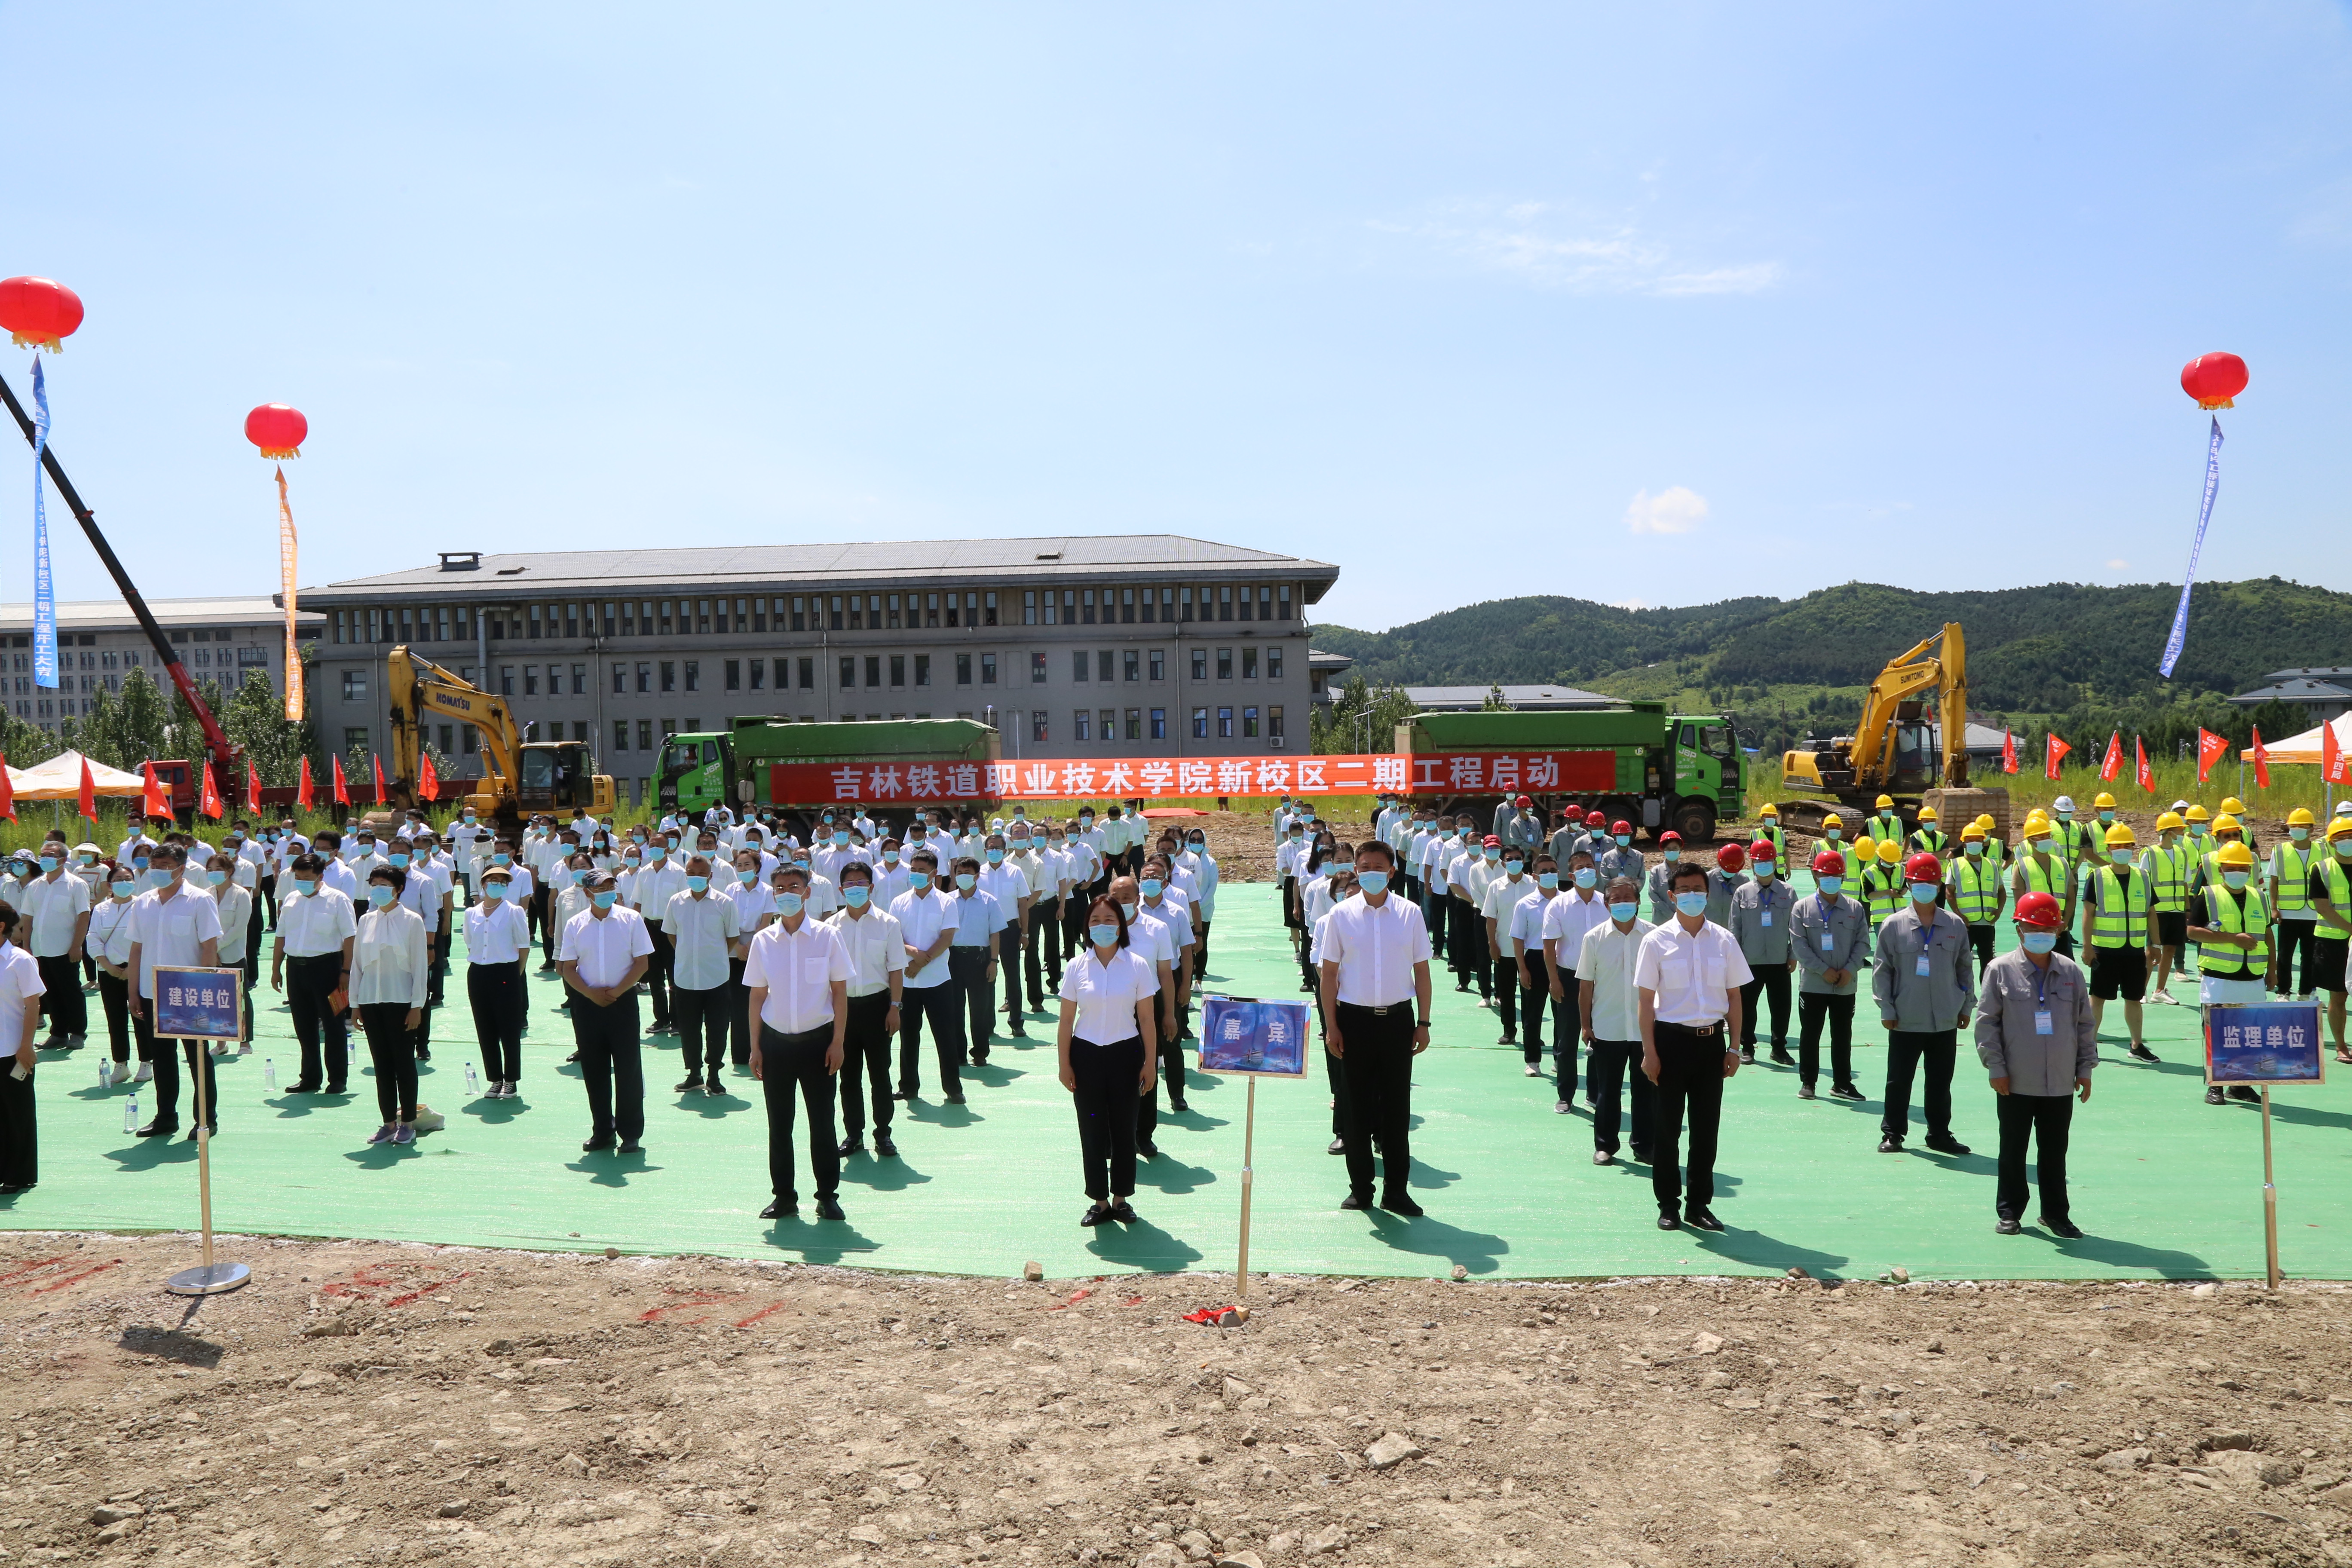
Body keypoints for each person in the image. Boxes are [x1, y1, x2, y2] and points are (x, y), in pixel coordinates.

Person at [1968, 889, 2094, 1238]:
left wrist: (2085, 1069)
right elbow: (1987, 1024)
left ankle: (2056, 1215)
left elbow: (2085, 1024)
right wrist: (1996, 1068)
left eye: (2048, 929)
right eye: (2034, 929)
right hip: (2015, 1079)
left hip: (2060, 1080)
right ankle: (2010, 1212)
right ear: (2019, 930)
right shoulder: (2000, 970)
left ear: (2059, 930)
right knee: (2013, 1149)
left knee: (2055, 1152)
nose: (2041, 935)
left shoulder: (2070, 972)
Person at [1317, 840, 1433, 1216]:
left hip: (1398, 1021)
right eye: (1364, 867)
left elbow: (1422, 971)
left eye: (1378, 867)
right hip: (1353, 1022)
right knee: (1355, 1109)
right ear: (1356, 869)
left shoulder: (1410, 913)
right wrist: (1332, 1026)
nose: (1371, 873)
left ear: (1392, 872)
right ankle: (1361, 1190)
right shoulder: (1340, 915)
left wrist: (1423, 1022)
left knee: (1397, 1110)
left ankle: (1396, 1192)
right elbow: (1329, 975)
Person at [1635, 862, 1750, 1231]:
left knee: (1706, 1130)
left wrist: (1735, 1047)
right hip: (1670, 1043)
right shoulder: (1656, 941)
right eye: (1684, 890)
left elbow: (1735, 997)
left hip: (1711, 1045)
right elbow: (1645, 1002)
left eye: (1698, 889)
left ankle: (1698, 1205)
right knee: (1667, 1130)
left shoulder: (1724, 940)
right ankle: (1668, 1205)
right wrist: (1650, 1053)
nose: (1692, 896)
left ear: (1708, 893)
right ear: (1672, 896)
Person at [744, 864, 854, 1221]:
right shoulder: (764, 941)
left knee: (822, 1124)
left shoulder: (828, 936)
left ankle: (827, 1196)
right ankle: (784, 1197)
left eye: (794, 887)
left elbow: (840, 993)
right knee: (780, 1125)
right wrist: (755, 1047)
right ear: (773, 894)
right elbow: (757, 996)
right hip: (776, 1045)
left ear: (807, 892)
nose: (786, 893)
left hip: (818, 1044)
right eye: (779, 888)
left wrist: (838, 1042)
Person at [1055, 894, 1161, 1226]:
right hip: (1086, 1055)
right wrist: (1064, 1064)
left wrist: (1150, 1063)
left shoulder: (1137, 965)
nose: (1102, 926)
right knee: (1092, 1129)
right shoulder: (1076, 966)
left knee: (1124, 1129)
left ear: (1121, 925)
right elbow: (1066, 1021)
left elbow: (1147, 1020)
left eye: (1110, 920)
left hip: (1125, 1055)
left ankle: (1121, 1199)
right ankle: (1099, 1201)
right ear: (1087, 927)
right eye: (1096, 921)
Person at [1869, 851, 1975, 1157]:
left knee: (1941, 1082)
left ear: (1939, 885)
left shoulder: (1954, 925)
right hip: (1905, 1017)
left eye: (1930, 883)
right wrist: (1887, 1008)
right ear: (1909, 885)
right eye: (1918, 883)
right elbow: (1882, 970)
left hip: (1945, 1017)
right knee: (1899, 1080)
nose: (1925, 888)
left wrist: (1966, 1006)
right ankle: (1893, 1134)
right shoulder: (1893, 925)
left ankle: (1939, 1134)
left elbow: (1965, 968)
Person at [124, 846, 226, 1140]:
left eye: (165, 865)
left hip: (190, 994)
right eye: (154, 864)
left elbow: (209, 948)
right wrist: (133, 991)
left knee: (197, 1057)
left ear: (181, 868)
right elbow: (137, 949)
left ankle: (206, 1119)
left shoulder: (200, 900)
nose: (158, 869)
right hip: (152, 992)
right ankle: (166, 1117)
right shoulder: (143, 902)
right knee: (162, 1058)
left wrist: (204, 989)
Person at [557, 871, 655, 1153]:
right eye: (600, 888)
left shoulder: (631, 919)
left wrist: (617, 992)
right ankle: (603, 1130)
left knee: (628, 1069)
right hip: (587, 1005)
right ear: (587, 893)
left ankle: (631, 1133)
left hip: (622, 1003)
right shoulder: (576, 924)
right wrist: (591, 994)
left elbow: (642, 963)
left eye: (611, 886)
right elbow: (568, 968)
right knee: (594, 1069)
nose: (608, 892)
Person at [1576, 877, 1655, 1167]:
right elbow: (1586, 985)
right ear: (1607, 904)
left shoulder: (1653, 936)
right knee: (1608, 1091)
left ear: (1638, 901)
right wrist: (1586, 1025)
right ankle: (1605, 1146)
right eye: (1616, 899)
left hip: (1646, 1029)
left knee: (1646, 1090)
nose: (1623, 903)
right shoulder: (1594, 938)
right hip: (1607, 1027)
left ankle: (1645, 1146)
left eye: (1628, 898)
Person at [829, 861, 904, 1158]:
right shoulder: (831, 927)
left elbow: (896, 969)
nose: (856, 888)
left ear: (872, 887)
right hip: (844, 1010)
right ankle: (854, 1134)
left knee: (880, 1075)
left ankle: (883, 1134)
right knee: (848, 1077)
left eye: (862, 883)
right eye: (850, 883)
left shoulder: (888, 923)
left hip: (878, 1008)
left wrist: (895, 1007)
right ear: (841, 889)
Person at [350, 866, 430, 1146]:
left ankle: (408, 1123)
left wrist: (417, 1006)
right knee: (381, 1066)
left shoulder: (412, 921)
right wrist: (355, 1004)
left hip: (402, 1001)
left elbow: (420, 966)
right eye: (374, 884)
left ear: (398, 889)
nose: (378, 890)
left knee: (404, 1064)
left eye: (384, 885)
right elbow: (357, 964)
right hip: (370, 1001)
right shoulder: (366, 920)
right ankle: (388, 1123)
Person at [2187, 840, 2269, 1107]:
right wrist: (2233, 938)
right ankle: (2216, 1085)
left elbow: (2268, 933)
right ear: (2221, 870)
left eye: (2242, 868)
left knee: (2250, 1032)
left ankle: (2241, 1085)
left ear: (2250, 870)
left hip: (2253, 977)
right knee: (2217, 1033)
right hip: (2219, 977)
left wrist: (2273, 971)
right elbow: (2192, 931)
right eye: (2231, 868)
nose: (2237, 872)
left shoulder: (2260, 897)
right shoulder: (2208, 896)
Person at [1791, 849, 1870, 1101]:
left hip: (1845, 985)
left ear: (1843, 878)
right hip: (1814, 984)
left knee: (1843, 1035)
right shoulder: (1802, 908)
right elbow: (1799, 946)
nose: (1831, 881)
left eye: (1836, 876)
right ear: (1816, 876)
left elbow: (1863, 943)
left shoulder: (1855, 908)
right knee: (1810, 1034)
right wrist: (1823, 970)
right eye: (1826, 876)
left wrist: (1850, 969)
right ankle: (1808, 1082)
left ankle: (1842, 1084)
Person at [2077, 821, 2158, 1063]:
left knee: (2134, 999)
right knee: (2098, 999)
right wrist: (2087, 947)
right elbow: (2088, 914)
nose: (2122, 850)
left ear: (2133, 848)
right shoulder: (2097, 877)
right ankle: (2089, 1046)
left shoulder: (2143, 877)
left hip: (2134, 951)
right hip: (2105, 950)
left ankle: (2137, 1045)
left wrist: (2155, 945)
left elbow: (2151, 913)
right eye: (2117, 846)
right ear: (2109, 849)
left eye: (2127, 845)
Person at [889, 850, 965, 1103]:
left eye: (922, 871)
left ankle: (953, 1088)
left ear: (934, 873)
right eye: (914, 870)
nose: (917, 874)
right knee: (908, 1036)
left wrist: (922, 962)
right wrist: (912, 954)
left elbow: (947, 938)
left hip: (938, 980)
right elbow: (894, 937)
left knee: (945, 1036)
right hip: (907, 981)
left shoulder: (946, 902)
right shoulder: (899, 902)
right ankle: (908, 1087)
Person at [664, 854, 742, 1097]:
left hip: (716, 977)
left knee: (717, 1029)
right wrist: (687, 954)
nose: (696, 877)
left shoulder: (725, 903)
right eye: (691, 873)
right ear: (685, 875)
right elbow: (672, 934)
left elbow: (732, 937)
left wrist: (713, 955)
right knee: (689, 1030)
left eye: (701, 873)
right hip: (686, 978)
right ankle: (694, 1074)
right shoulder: (676, 902)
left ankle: (714, 1075)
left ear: (710, 875)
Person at [1543, 849, 1611, 1106]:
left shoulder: (1607, 904)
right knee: (1568, 1039)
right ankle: (1566, 1095)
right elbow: (1549, 947)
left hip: (1602, 980)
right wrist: (1554, 980)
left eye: (1590, 866)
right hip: (1569, 978)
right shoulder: (1558, 905)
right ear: (1571, 875)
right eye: (1580, 867)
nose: (1586, 871)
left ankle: (1594, 1094)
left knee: (1600, 1037)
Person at [464, 864, 532, 1099]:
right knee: (486, 1029)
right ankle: (495, 1079)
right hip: (478, 974)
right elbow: (470, 943)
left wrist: (515, 975)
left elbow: (523, 946)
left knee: (509, 1029)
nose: (498, 885)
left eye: (503, 882)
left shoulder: (514, 912)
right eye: (493, 880)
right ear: (483, 884)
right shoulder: (471, 913)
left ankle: (511, 1079)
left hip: (506, 973)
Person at [1728, 839, 1793, 1066]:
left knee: (1781, 1007)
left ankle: (1779, 1048)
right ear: (1752, 864)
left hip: (1779, 960)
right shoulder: (1743, 892)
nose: (1763, 865)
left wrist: (1793, 954)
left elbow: (1796, 928)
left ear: (1775, 863)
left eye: (1767, 861)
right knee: (1747, 1006)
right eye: (1759, 862)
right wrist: (1735, 959)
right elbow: (1735, 929)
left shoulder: (1787, 892)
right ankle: (1747, 1047)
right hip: (1750, 961)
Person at [21, 845, 89, 1053]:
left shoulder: (76, 884)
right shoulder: (35, 886)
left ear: (63, 859)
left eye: (51, 856)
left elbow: (84, 916)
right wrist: (26, 946)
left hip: (64, 949)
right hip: (40, 948)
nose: (45, 859)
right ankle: (58, 1033)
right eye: (43, 855)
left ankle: (77, 1033)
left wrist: (76, 946)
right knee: (50, 993)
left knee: (71, 992)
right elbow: (28, 918)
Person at [946, 856, 1007, 1070]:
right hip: (952, 958)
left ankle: (980, 1053)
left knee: (979, 1009)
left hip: (980, 959)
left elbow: (995, 934)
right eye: (960, 873)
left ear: (977, 876)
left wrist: (994, 962)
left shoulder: (990, 901)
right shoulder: (947, 901)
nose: (963, 876)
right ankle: (958, 1053)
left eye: (968, 873)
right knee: (954, 1009)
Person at [0, 900, 42, 1194]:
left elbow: (33, 1005)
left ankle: (20, 1174)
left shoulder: (20, 960)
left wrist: (26, 1046)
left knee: (17, 1116)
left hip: (12, 1051)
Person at [1507, 854, 1561, 1081]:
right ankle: (1532, 1060)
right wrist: (1523, 968)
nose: (1549, 875)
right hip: (1535, 960)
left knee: (1562, 1015)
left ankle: (1560, 1058)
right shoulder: (1525, 904)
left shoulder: (1567, 901)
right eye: (1544, 871)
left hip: (1561, 961)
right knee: (1532, 1014)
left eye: (1553, 870)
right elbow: (1518, 938)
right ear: (1535, 876)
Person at [1482, 843, 1535, 1053]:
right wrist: (1492, 944)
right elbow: (1491, 918)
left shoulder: (1534, 884)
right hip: (1504, 948)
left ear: (1524, 860)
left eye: (1518, 858)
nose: (1514, 862)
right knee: (1507, 992)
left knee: (1531, 995)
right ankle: (1509, 1031)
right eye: (1509, 859)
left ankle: (1532, 1033)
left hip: (1531, 949)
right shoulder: (1496, 887)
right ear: (1503, 863)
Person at [88, 867, 138, 1084]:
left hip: (137, 969)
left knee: (141, 1016)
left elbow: (147, 939)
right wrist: (107, 965)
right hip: (109, 970)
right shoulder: (101, 909)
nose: (124, 883)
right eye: (118, 880)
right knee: (116, 1019)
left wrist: (132, 968)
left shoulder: (143, 905)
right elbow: (93, 938)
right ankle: (121, 1063)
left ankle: (146, 1061)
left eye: (128, 879)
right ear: (110, 885)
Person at [204, 852, 254, 1054]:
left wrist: (216, 947)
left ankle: (245, 1042)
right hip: (210, 956)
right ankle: (221, 1042)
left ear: (230, 871)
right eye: (210, 870)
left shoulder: (241, 894)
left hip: (233, 955)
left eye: (218, 869)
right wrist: (210, 950)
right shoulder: (206, 894)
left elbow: (239, 928)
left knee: (240, 998)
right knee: (214, 1000)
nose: (214, 873)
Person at [2311, 820, 2352, 1061]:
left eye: (2350, 836)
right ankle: (2341, 1046)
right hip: (2334, 942)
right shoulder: (2322, 869)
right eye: (2341, 838)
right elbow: (2323, 908)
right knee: (2338, 995)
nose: (2346, 841)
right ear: (2331, 842)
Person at [2271, 807, 2321, 1001]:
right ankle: (2283, 991)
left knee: (2310, 956)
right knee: (2285, 956)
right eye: (2294, 826)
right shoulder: (2280, 851)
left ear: (2311, 829)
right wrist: (2274, 908)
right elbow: (2274, 882)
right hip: (2288, 913)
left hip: (2314, 913)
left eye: (2302, 826)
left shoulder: (2323, 850)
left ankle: (2306, 992)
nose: (2297, 829)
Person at [2142, 810, 2193, 1000]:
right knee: (2151, 952)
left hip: (2177, 910)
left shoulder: (2182, 853)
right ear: (2169, 832)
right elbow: (2143, 881)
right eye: (2180, 829)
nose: (2183, 833)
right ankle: (2140, 991)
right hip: (2157, 911)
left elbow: (2185, 883)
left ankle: (2160, 991)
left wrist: (2187, 909)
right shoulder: (2150, 853)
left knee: (2170, 950)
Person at [2010, 817, 2075, 956]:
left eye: (2047, 836)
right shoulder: (2022, 866)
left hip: (2060, 929)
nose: (2045, 840)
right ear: (2030, 841)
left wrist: (2064, 923)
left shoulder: (2063, 864)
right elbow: (2020, 904)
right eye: (2040, 837)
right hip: (2036, 933)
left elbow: (2071, 898)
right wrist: (2037, 928)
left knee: (2065, 967)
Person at [1946, 823, 2006, 971]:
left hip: (1988, 924)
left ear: (1984, 843)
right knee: (1961, 964)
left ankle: (1987, 987)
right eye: (1970, 840)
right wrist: (1958, 914)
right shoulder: (1955, 865)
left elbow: (2001, 891)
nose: (1975, 843)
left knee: (1988, 963)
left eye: (1978, 840)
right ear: (1964, 844)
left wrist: (1999, 911)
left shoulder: (1993, 865)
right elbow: (1949, 892)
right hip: (1966, 925)